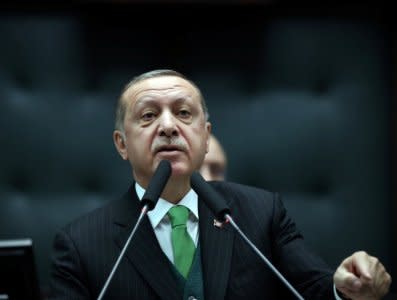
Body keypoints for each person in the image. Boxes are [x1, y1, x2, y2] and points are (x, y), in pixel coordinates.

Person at [49, 69, 391, 299]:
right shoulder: (80, 245)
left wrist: (347, 288)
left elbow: (316, 290)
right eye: (149, 115)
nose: (168, 127)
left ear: (206, 136)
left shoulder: (260, 213)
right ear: (121, 144)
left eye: (184, 113)